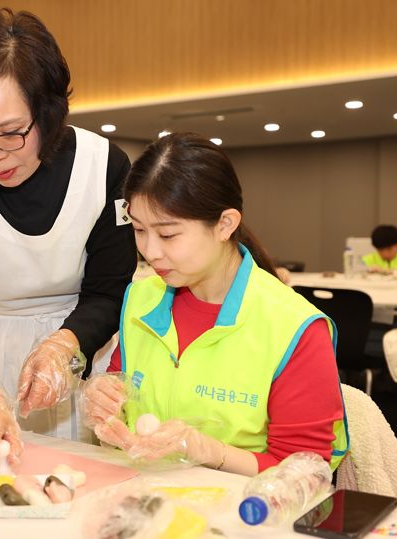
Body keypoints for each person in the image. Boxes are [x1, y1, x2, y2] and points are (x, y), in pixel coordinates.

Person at [0, 8, 136, 467]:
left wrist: (63, 344)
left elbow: (110, 288)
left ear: (48, 111)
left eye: (10, 133)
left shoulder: (103, 165)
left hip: (83, 344)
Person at [82, 133, 347, 476]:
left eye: (167, 234)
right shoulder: (141, 299)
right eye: (138, 230)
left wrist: (208, 450)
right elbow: (125, 400)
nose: (150, 251)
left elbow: (306, 471)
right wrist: (106, 400)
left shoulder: (294, 327)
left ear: (225, 224)